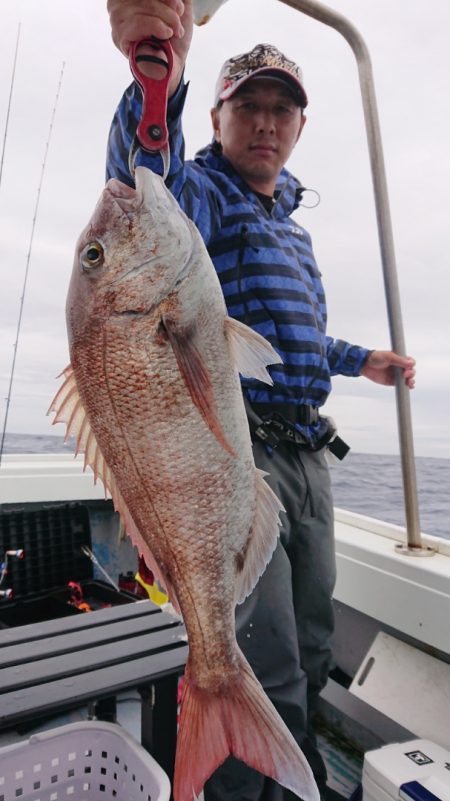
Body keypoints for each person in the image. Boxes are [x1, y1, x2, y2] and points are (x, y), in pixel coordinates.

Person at [106, 2, 416, 799]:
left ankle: (296, 771)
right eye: (250, 106)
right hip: (246, 455)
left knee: (312, 640)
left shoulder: (293, 227)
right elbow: (146, 182)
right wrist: (157, 87)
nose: (267, 123)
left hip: (311, 457)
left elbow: (300, 336)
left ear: (301, 126)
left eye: (283, 109)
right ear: (218, 115)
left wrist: (361, 360)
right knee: (265, 648)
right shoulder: (202, 195)